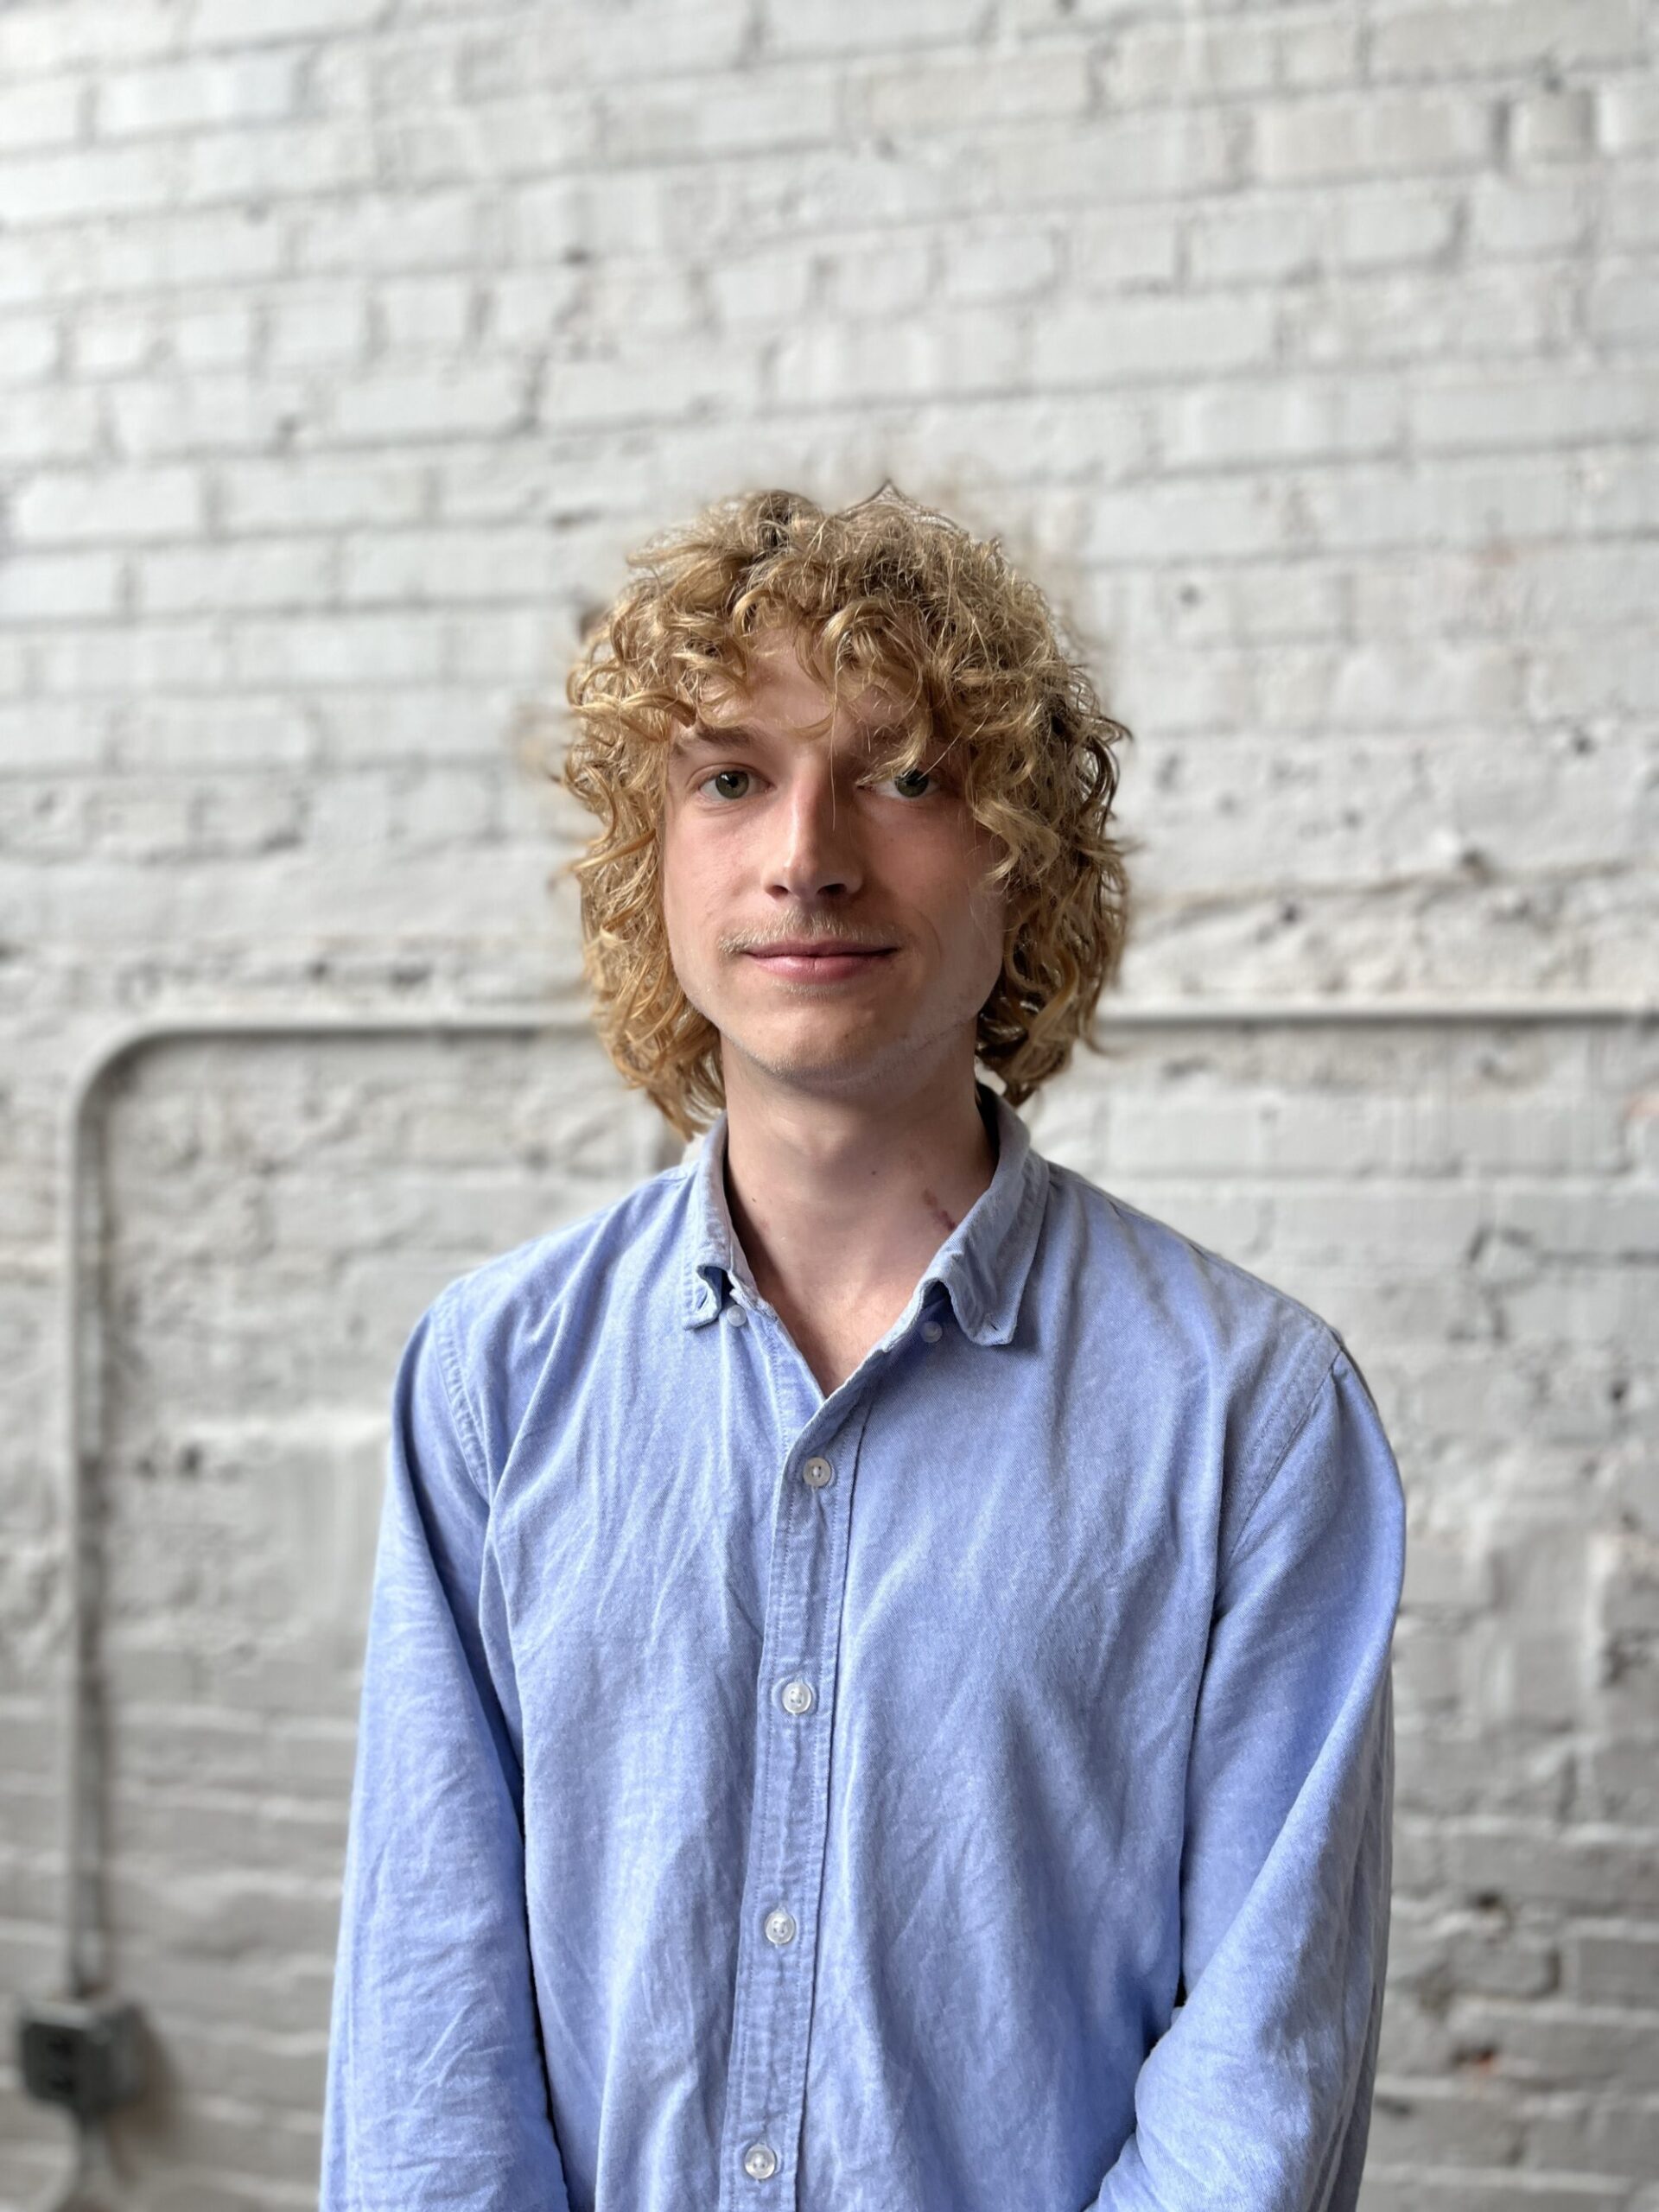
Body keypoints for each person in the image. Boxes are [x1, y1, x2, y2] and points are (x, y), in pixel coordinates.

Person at [320, 486, 1406, 2211]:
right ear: (652, 859)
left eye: (903, 776)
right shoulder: (493, 1377)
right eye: (729, 778)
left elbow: (1255, 2087)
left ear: (1024, 860)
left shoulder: (1253, 1417)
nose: (806, 855)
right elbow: (428, 2040)